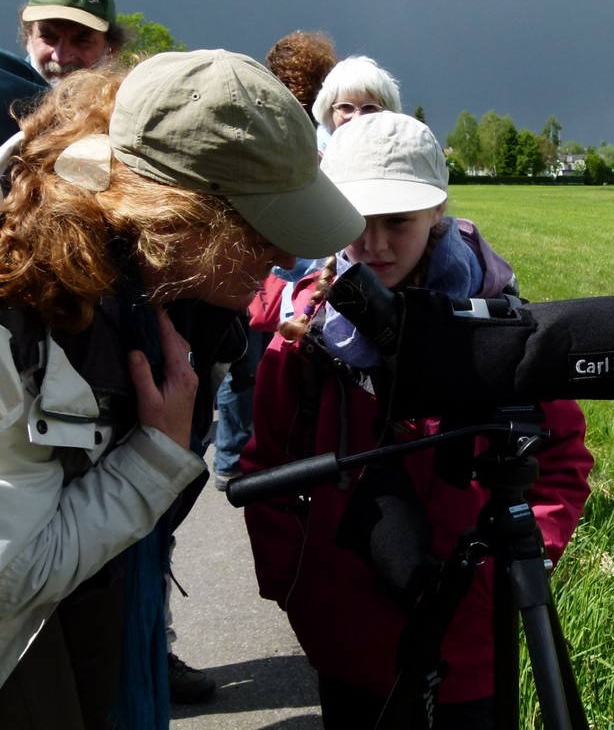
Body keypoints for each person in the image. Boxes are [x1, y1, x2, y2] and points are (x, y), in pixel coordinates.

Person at [0, 49, 363, 729]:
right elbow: (8, 581)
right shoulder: (17, 315)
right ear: (175, 214)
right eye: (265, 227)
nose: (289, 257)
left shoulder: (146, 280)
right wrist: (154, 462)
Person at [240, 111, 594, 729]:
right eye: (356, 221)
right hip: (344, 639)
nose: (374, 244)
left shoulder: (502, 333)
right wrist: (294, 584)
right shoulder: (303, 337)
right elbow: (267, 464)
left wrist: (512, 569)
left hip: (469, 644)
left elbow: (561, 458)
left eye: (397, 221)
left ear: (437, 213)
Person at [212, 30, 339, 492]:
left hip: (277, 261)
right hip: (288, 260)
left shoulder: (261, 122)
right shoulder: (309, 138)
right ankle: (248, 458)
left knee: (246, 364)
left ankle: (237, 460)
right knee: (261, 363)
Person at [18, 0, 130, 86]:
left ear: (111, 51)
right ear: (28, 39)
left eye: (80, 40)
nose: (60, 58)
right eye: (48, 37)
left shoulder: (128, 101)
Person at [310, 54, 402, 154]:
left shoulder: (400, 155)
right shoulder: (307, 161)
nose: (357, 118)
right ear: (328, 110)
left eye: (369, 108)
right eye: (346, 107)